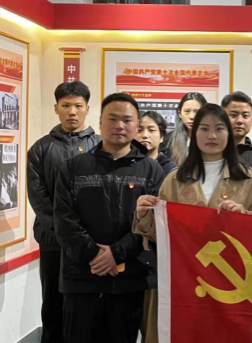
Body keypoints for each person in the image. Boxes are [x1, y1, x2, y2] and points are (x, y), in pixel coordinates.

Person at [54, 93, 165, 343]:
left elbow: (152, 223)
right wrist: (95, 255)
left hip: (129, 279)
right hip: (81, 278)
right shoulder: (74, 167)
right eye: (112, 119)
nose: (119, 125)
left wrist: (117, 253)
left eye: (127, 120)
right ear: (100, 122)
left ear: (136, 125)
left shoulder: (151, 170)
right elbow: (63, 220)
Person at [27, 81, 101, 343]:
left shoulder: (101, 146)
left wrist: (86, 237)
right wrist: (64, 233)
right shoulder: (40, 148)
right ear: (55, 108)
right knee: (53, 304)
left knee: (90, 305)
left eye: (78, 105)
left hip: (93, 243)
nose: (72, 111)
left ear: (87, 108)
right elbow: (38, 198)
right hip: (53, 242)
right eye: (66, 105)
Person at [134, 103, 252, 240]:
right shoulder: (175, 179)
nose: (212, 136)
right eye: (204, 129)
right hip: (186, 254)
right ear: (194, 134)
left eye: (219, 129)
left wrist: (243, 215)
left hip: (231, 253)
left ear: (228, 134)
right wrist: (144, 216)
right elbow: (164, 236)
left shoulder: (249, 179)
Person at [135, 111, 176, 343]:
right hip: (127, 254)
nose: (144, 135)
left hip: (157, 255)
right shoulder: (128, 165)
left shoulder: (173, 172)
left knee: (153, 324)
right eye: (140, 129)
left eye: (151, 130)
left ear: (162, 136)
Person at [221, 91, 252, 201]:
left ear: (251, 121)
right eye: (233, 115)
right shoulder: (213, 153)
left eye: (245, 116)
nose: (239, 121)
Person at [163, 92, 207, 165]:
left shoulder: (210, 139)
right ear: (179, 113)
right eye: (187, 111)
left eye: (197, 112)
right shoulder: (168, 141)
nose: (192, 117)